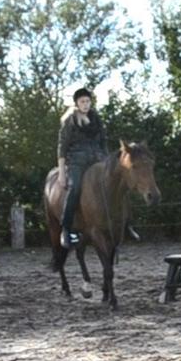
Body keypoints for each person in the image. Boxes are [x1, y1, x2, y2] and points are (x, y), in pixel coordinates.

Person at [57, 88, 109, 249]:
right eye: (82, 102)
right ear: (77, 104)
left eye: (87, 101)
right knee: (75, 188)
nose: (85, 104)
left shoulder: (96, 119)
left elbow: (103, 142)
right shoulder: (70, 120)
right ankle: (66, 229)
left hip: (97, 159)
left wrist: (107, 161)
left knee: (116, 183)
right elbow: (62, 147)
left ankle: (124, 223)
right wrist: (61, 173)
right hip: (76, 161)